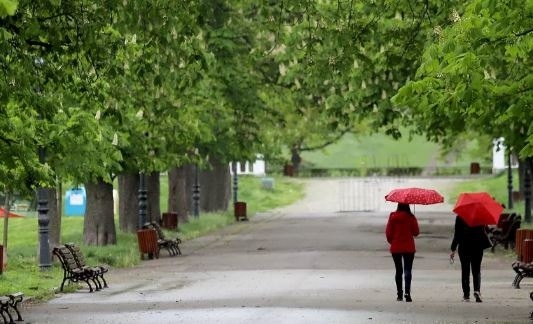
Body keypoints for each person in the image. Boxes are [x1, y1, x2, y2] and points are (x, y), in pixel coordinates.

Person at [449, 215, 492, 302]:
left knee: (465, 271)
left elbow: (457, 234)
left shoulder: (460, 217)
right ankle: (477, 290)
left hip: (464, 246)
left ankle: (466, 295)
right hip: (478, 246)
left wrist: (453, 249)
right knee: (476, 270)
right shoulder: (480, 216)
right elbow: (486, 230)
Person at [386, 203, 420, 302]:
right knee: (407, 270)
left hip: (396, 247)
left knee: (398, 270)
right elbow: (416, 232)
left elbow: (388, 233)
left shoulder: (392, 216)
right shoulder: (411, 217)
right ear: (408, 206)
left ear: (398, 206)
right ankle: (407, 293)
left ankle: (399, 294)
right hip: (409, 247)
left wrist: (392, 242)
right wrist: (413, 220)